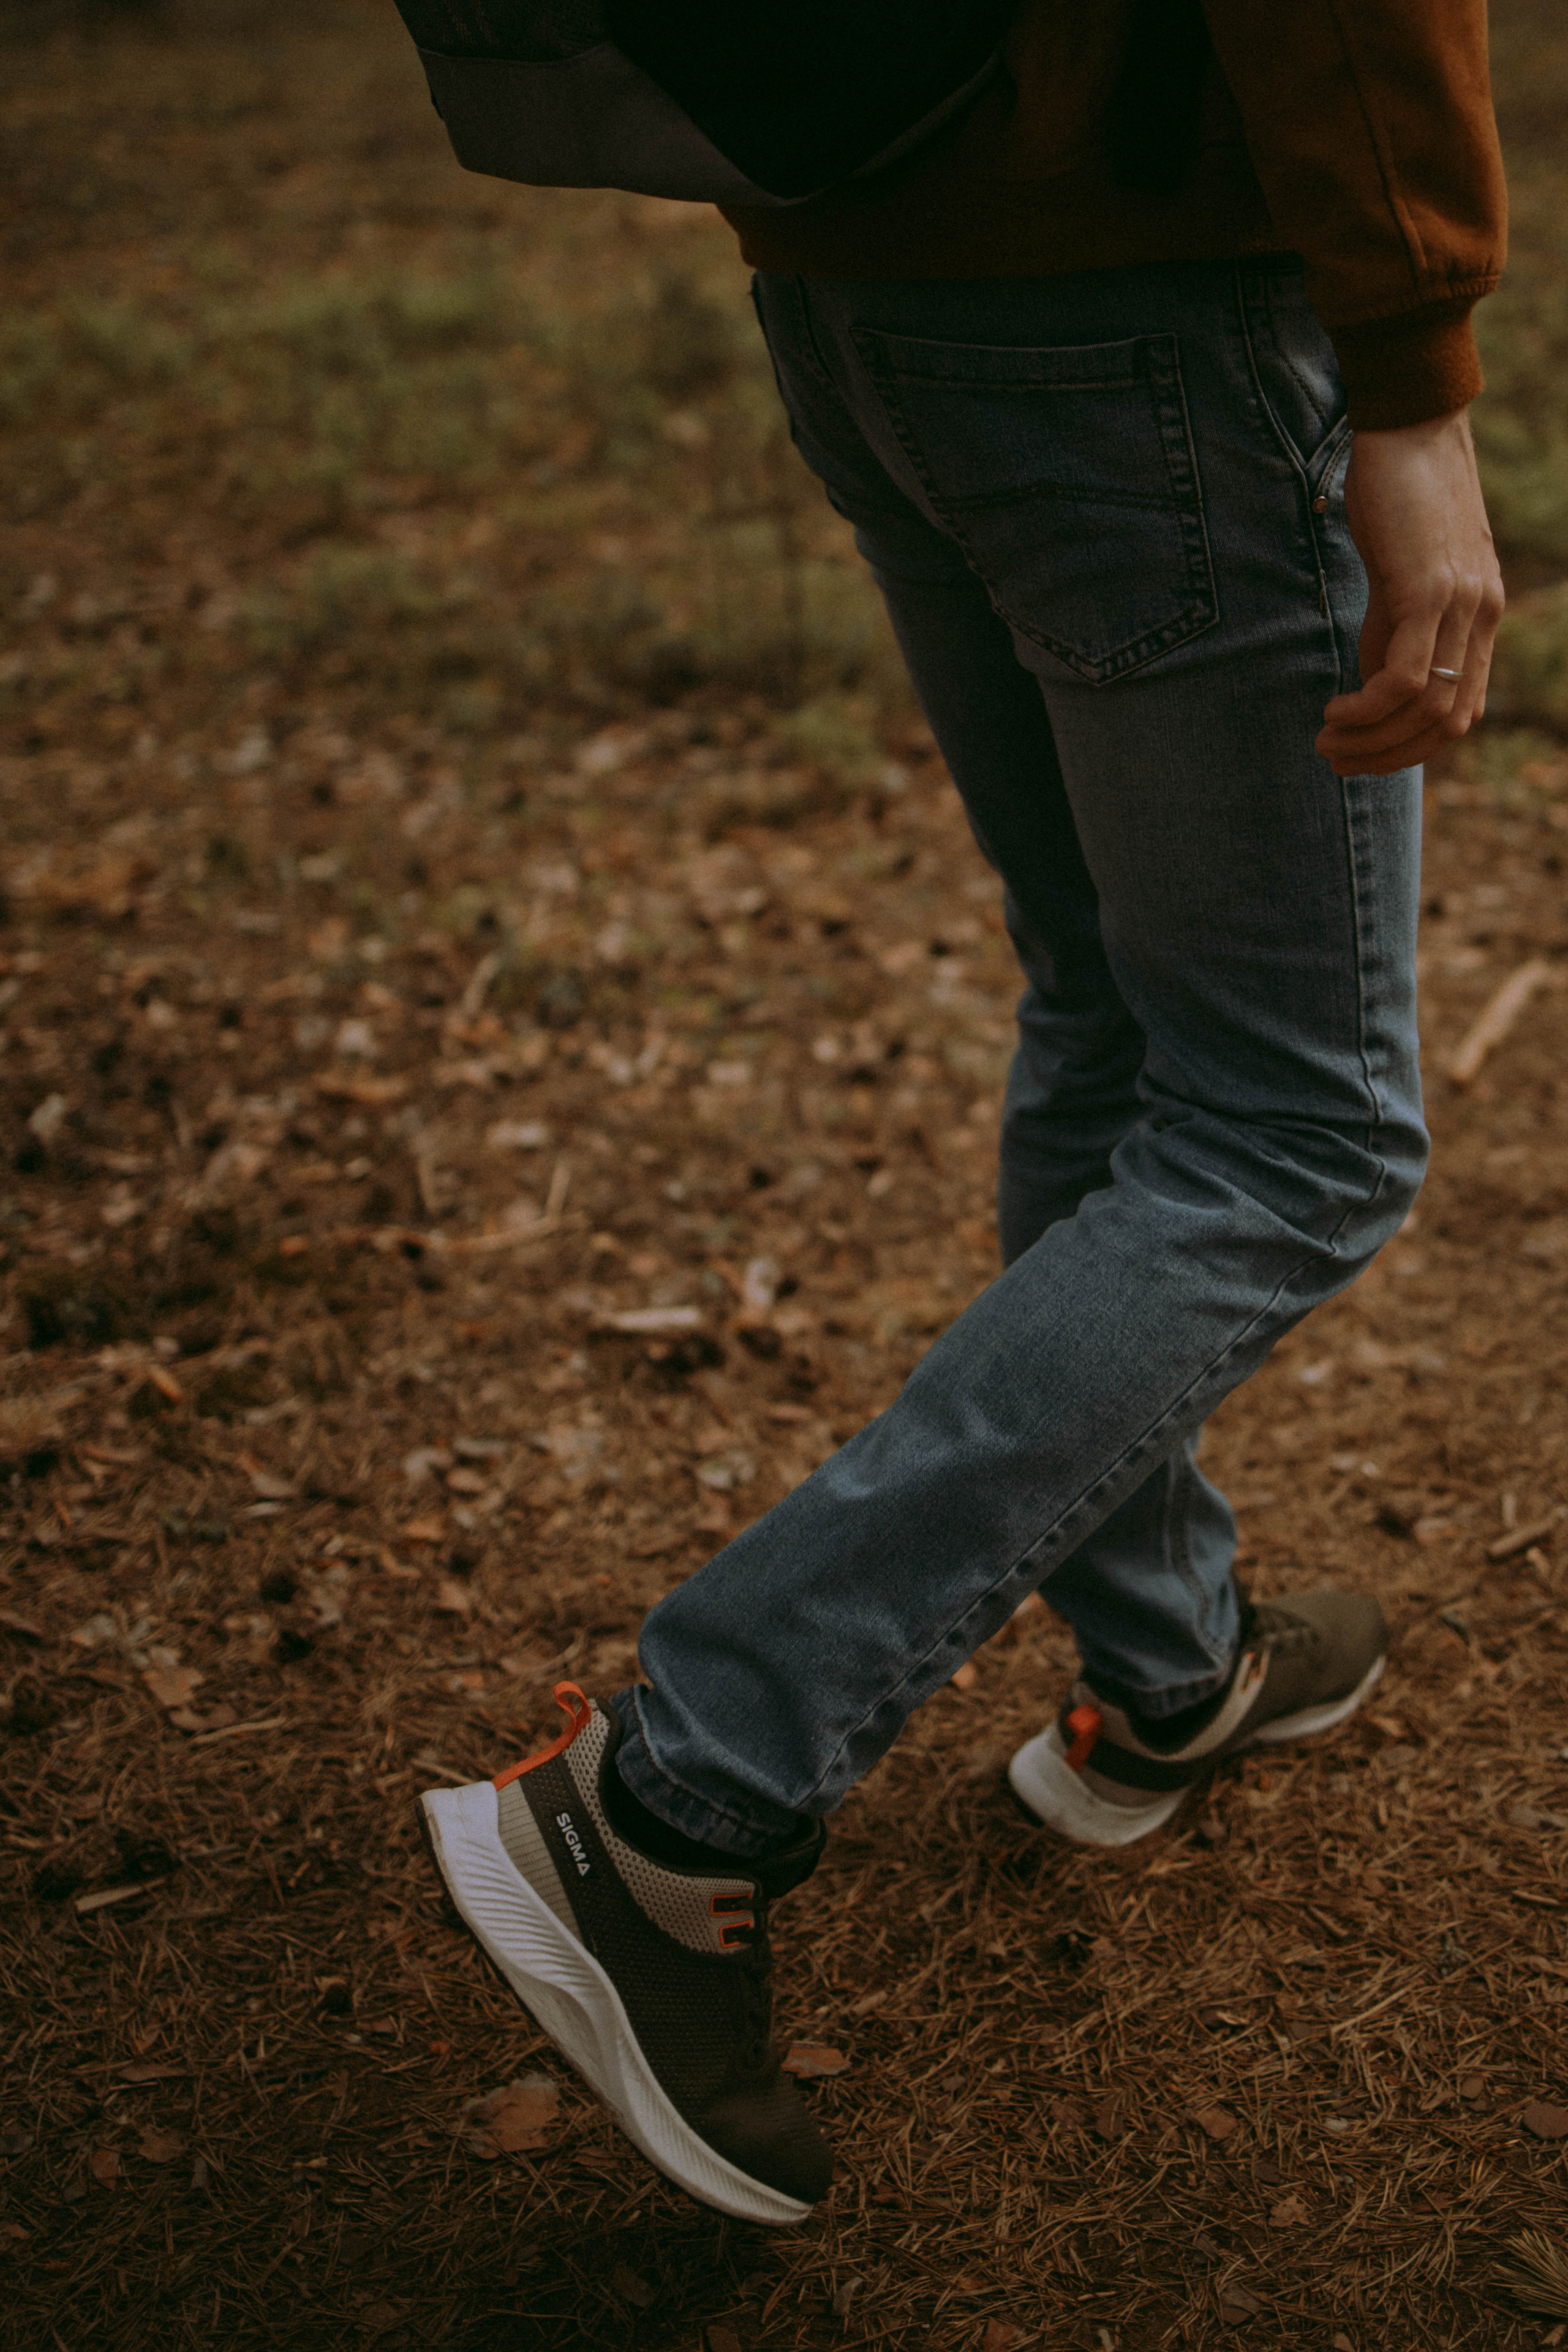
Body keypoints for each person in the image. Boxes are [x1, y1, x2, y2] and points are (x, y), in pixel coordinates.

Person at [418, 0, 1506, 2227]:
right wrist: (1413, 383)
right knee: (1297, 1134)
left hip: (865, 274)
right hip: (1145, 306)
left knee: (1111, 1012)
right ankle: (681, 1790)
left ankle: (1169, 1667)